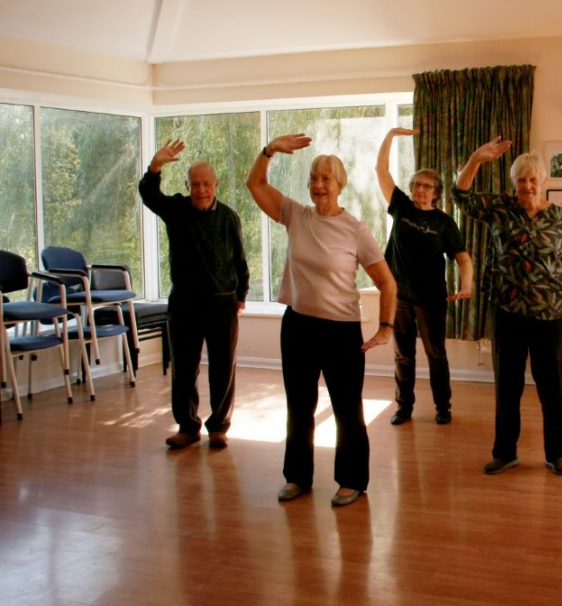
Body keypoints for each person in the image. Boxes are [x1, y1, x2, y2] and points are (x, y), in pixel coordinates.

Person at [247, 133, 397, 508]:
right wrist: (269, 151)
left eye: (326, 178)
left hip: (341, 331)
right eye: (314, 178)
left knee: (348, 409)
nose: (318, 185)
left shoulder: (355, 229)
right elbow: (255, 184)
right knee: (299, 406)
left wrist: (385, 327)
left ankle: (352, 481)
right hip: (298, 325)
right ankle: (297, 476)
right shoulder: (296, 215)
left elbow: (387, 283)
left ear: (339, 185)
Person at [453, 137, 562, 476]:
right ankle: (505, 452)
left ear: (544, 182)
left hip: (551, 315)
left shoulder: (558, 216)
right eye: (521, 180)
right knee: (507, 386)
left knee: (552, 387)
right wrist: (475, 160)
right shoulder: (499, 209)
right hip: (507, 312)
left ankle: (556, 453)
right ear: (514, 183)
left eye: (533, 180)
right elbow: (461, 197)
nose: (527, 186)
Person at [140, 140, 249, 451]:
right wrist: (155, 167)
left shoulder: (228, 217)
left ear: (215, 184)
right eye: (195, 184)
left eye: (206, 184)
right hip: (185, 304)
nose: (201, 190)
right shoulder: (176, 210)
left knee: (223, 367)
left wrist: (241, 294)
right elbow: (149, 195)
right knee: (184, 369)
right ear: (187, 186)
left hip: (222, 303)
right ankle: (187, 427)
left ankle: (219, 427)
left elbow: (240, 260)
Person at [375, 128, 472, 426]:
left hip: (431, 299)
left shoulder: (444, 223)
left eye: (427, 186)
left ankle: (443, 406)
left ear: (436, 192)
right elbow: (381, 168)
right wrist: (391, 134)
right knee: (403, 355)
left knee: (436, 355)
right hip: (399, 295)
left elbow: (463, 259)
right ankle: (404, 408)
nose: (420, 189)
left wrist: (466, 286)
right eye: (417, 184)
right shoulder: (401, 207)